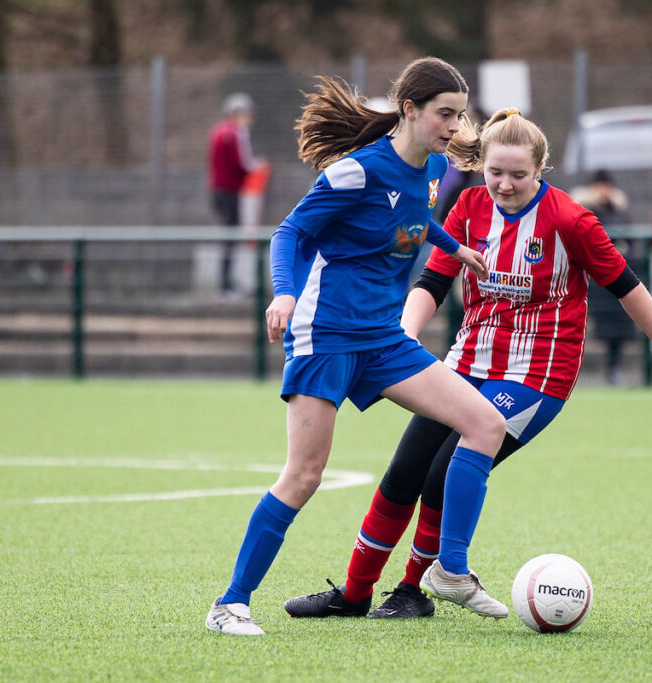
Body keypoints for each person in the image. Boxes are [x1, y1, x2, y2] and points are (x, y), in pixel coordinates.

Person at [282, 108, 652, 622]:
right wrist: (405, 333)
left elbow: (627, 286)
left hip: (536, 375)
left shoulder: (571, 220)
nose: (504, 184)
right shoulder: (468, 206)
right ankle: (354, 594)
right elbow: (433, 281)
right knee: (404, 473)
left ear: (540, 169)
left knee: (445, 471)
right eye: (495, 172)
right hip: (466, 361)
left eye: (518, 175)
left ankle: (419, 586)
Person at [205, 57, 511, 637]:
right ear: (410, 110)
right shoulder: (356, 172)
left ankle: (449, 569)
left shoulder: (434, 166)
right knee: (304, 475)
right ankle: (230, 604)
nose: (454, 125)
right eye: (444, 114)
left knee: (485, 425)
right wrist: (284, 293)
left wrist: (455, 248)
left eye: (459, 115)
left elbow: (412, 217)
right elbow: (290, 232)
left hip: (383, 338)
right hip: (324, 335)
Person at [571, 169, 637, 385]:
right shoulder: (585, 210)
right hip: (591, 279)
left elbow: (630, 239)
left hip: (613, 275)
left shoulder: (619, 211)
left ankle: (613, 367)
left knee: (617, 327)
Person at [207, 92, 261, 295]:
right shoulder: (235, 132)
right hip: (229, 191)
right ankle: (225, 286)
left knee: (228, 236)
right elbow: (243, 163)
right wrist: (258, 167)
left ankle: (226, 283)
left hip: (219, 191)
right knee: (229, 237)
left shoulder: (219, 131)